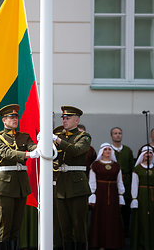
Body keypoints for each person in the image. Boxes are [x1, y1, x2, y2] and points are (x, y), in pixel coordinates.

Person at [0, 104, 38, 250]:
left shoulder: (24, 136)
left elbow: (34, 147)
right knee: (5, 224)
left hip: (21, 184)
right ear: (4, 120)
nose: (15, 119)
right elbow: (7, 153)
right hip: (5, 185)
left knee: (17, 224)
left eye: (16, 117)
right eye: (11, 117)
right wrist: (28, 155)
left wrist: (43, 143)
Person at [53, 106, 91, 250]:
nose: (64, 120)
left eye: (68, 118)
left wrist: (57, 140)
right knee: (65, 228)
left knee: (79, 227)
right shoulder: (60, 136)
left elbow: (75, 151)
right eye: (63, 118)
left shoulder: (83, 137)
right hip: (62, 184)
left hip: (77, 185)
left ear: (77, 120)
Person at [88, 143, 125, 249]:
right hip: (100, 195)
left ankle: (112, 244)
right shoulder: (95, 166)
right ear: (102, 152)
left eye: (109, 149)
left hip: (113, 196)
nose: (108, 151)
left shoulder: (116, 166)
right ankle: (100, 244)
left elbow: (119, 182)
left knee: (112, 219)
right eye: (105, 149)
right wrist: (92, 195)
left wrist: (121, 196)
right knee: (100, 218)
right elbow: (92, 182)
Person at [110, 126, 135, 236]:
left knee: (126, 209)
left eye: (119, 133)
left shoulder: (127, 150)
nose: (118, 135)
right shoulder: (108, 150)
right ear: (111, 136)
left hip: (126, 183)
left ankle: (125, 231)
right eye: (115, 133)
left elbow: (131, 168)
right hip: (111, 183)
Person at [130, 146, 154, 250]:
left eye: (150, 153)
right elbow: (134, 184)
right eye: (146, 153)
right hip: (142, 196)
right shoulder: (137, 169)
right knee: (143, 219)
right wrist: (134, 198)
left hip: (153, 196)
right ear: (142, 155)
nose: (148, 155)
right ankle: (142, 243)